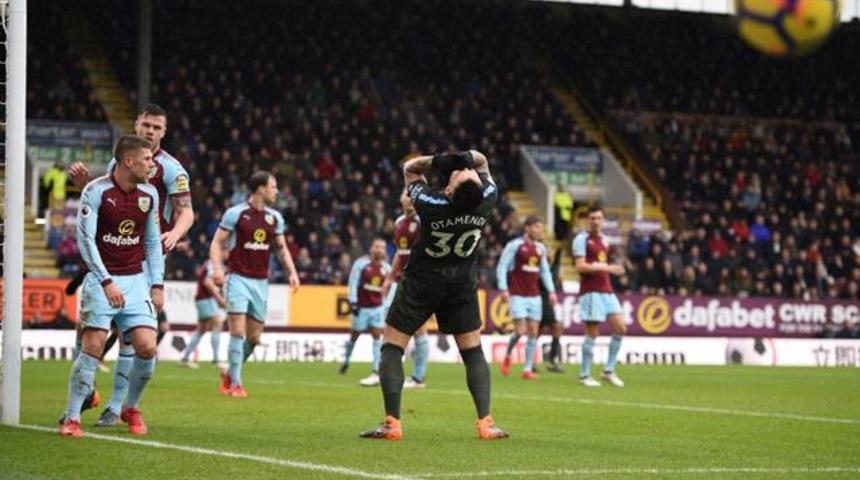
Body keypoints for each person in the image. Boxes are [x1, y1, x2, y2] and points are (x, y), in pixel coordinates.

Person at [360, 150, 508, 440]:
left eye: (459, 172)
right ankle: (486, 423)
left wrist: (440, 160)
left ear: (449, 190)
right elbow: (482, 162)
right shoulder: (487, 198)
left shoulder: (431, 204)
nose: (464, 168)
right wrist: (466, 157)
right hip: (461, 283)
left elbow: (410, 170)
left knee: (392, 346)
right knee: (472, 350)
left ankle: (392, 423)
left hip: (422, 281)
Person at [68, 104, 194, 427]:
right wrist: (86, 183)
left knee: (133, 338)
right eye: (146, 125)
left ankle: (117, 405)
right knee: (87, 334)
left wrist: (174, 235)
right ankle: (89, 394)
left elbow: (187, 211)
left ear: (164, 132)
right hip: (108, 255)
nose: (150, 131)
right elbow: (109, 194)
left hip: (142, 261)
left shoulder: (171, 170)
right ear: (136, 125)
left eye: (157, 127)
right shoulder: (122, 158)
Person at [59, 135, 164, 437]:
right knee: (92, 345)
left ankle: (130, 406)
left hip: (136, 281)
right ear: (129, 161)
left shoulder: (149, 195)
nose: (151, 164)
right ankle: (73, 417)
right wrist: (105, 282)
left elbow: (153, 242)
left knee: (147, 346)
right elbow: (86, 240)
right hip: (101, 279)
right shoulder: (96, 191)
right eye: (146, 159)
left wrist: (157, 283)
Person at [210, 171, 300, 397]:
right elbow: (216, 243)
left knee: (254, 338)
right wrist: (218, 269)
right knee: (237, 332)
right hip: (237, 279)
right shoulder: (236, 213)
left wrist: (292, 272)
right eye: (273, 186)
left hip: (261, 282)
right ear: (260, 188)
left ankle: (231, 373)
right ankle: (236, 384)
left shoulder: (274, 218)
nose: (276, 191)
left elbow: (281, 248)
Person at [572, 206, 627, 387]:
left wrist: (612, 267)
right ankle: (584, 374)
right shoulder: (581, 239)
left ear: (603, 221)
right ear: (587, 220)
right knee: (593, 332)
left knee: (620, 327)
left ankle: (608, 370)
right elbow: (580, 266)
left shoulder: (605, 240)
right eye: (592, 218)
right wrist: (608, 268)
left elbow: (603, 263)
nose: (595, 221)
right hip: (591, 290)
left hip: (607, 289)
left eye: (599, 218)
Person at [380, 190, 430, 389]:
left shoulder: (423, 220)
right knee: (390, 324)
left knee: (419, 328)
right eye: (406, 195)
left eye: (412, 196)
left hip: (418, 280)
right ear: (401, 199)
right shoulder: (399, 222)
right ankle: (391, 369)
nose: (409, 199)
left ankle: (418, 377)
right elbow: (400, 254)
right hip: (400, 280)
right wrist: (389, 277)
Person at [497, 214, 557, 379]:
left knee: (533, 332)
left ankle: (527, 369)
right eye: (537, 227)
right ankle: (508, 355)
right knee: (520, 331)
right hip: (517, 295)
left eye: (541, 228)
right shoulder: (515, 245)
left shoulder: (541, 248)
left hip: (535, 296)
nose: (540, 231)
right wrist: (503, 288)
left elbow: (544, 271)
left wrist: (551, 291)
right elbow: (502, 266)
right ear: (527, 228)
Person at [340, 238, 391, 386]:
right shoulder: (361, 264)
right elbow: (353, 282)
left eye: (382, 247)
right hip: (361, 307)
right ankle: (346, 360)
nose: (379, 249)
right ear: (371, 248)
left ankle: (375, 370)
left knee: (377, 337)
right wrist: (353, 302)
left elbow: (388, 289)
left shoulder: (387, 268)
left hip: (377, 308)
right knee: (354, 336)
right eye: (377, 246)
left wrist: (387, 305)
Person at [179, 259, 227, 368]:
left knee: (201, 330)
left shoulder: (208, 263)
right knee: (217, 324)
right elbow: (208, 282)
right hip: (206, 299)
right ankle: (216, 360)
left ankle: (185, 358)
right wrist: (219, 299)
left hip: (202, 299)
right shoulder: (213, 264)